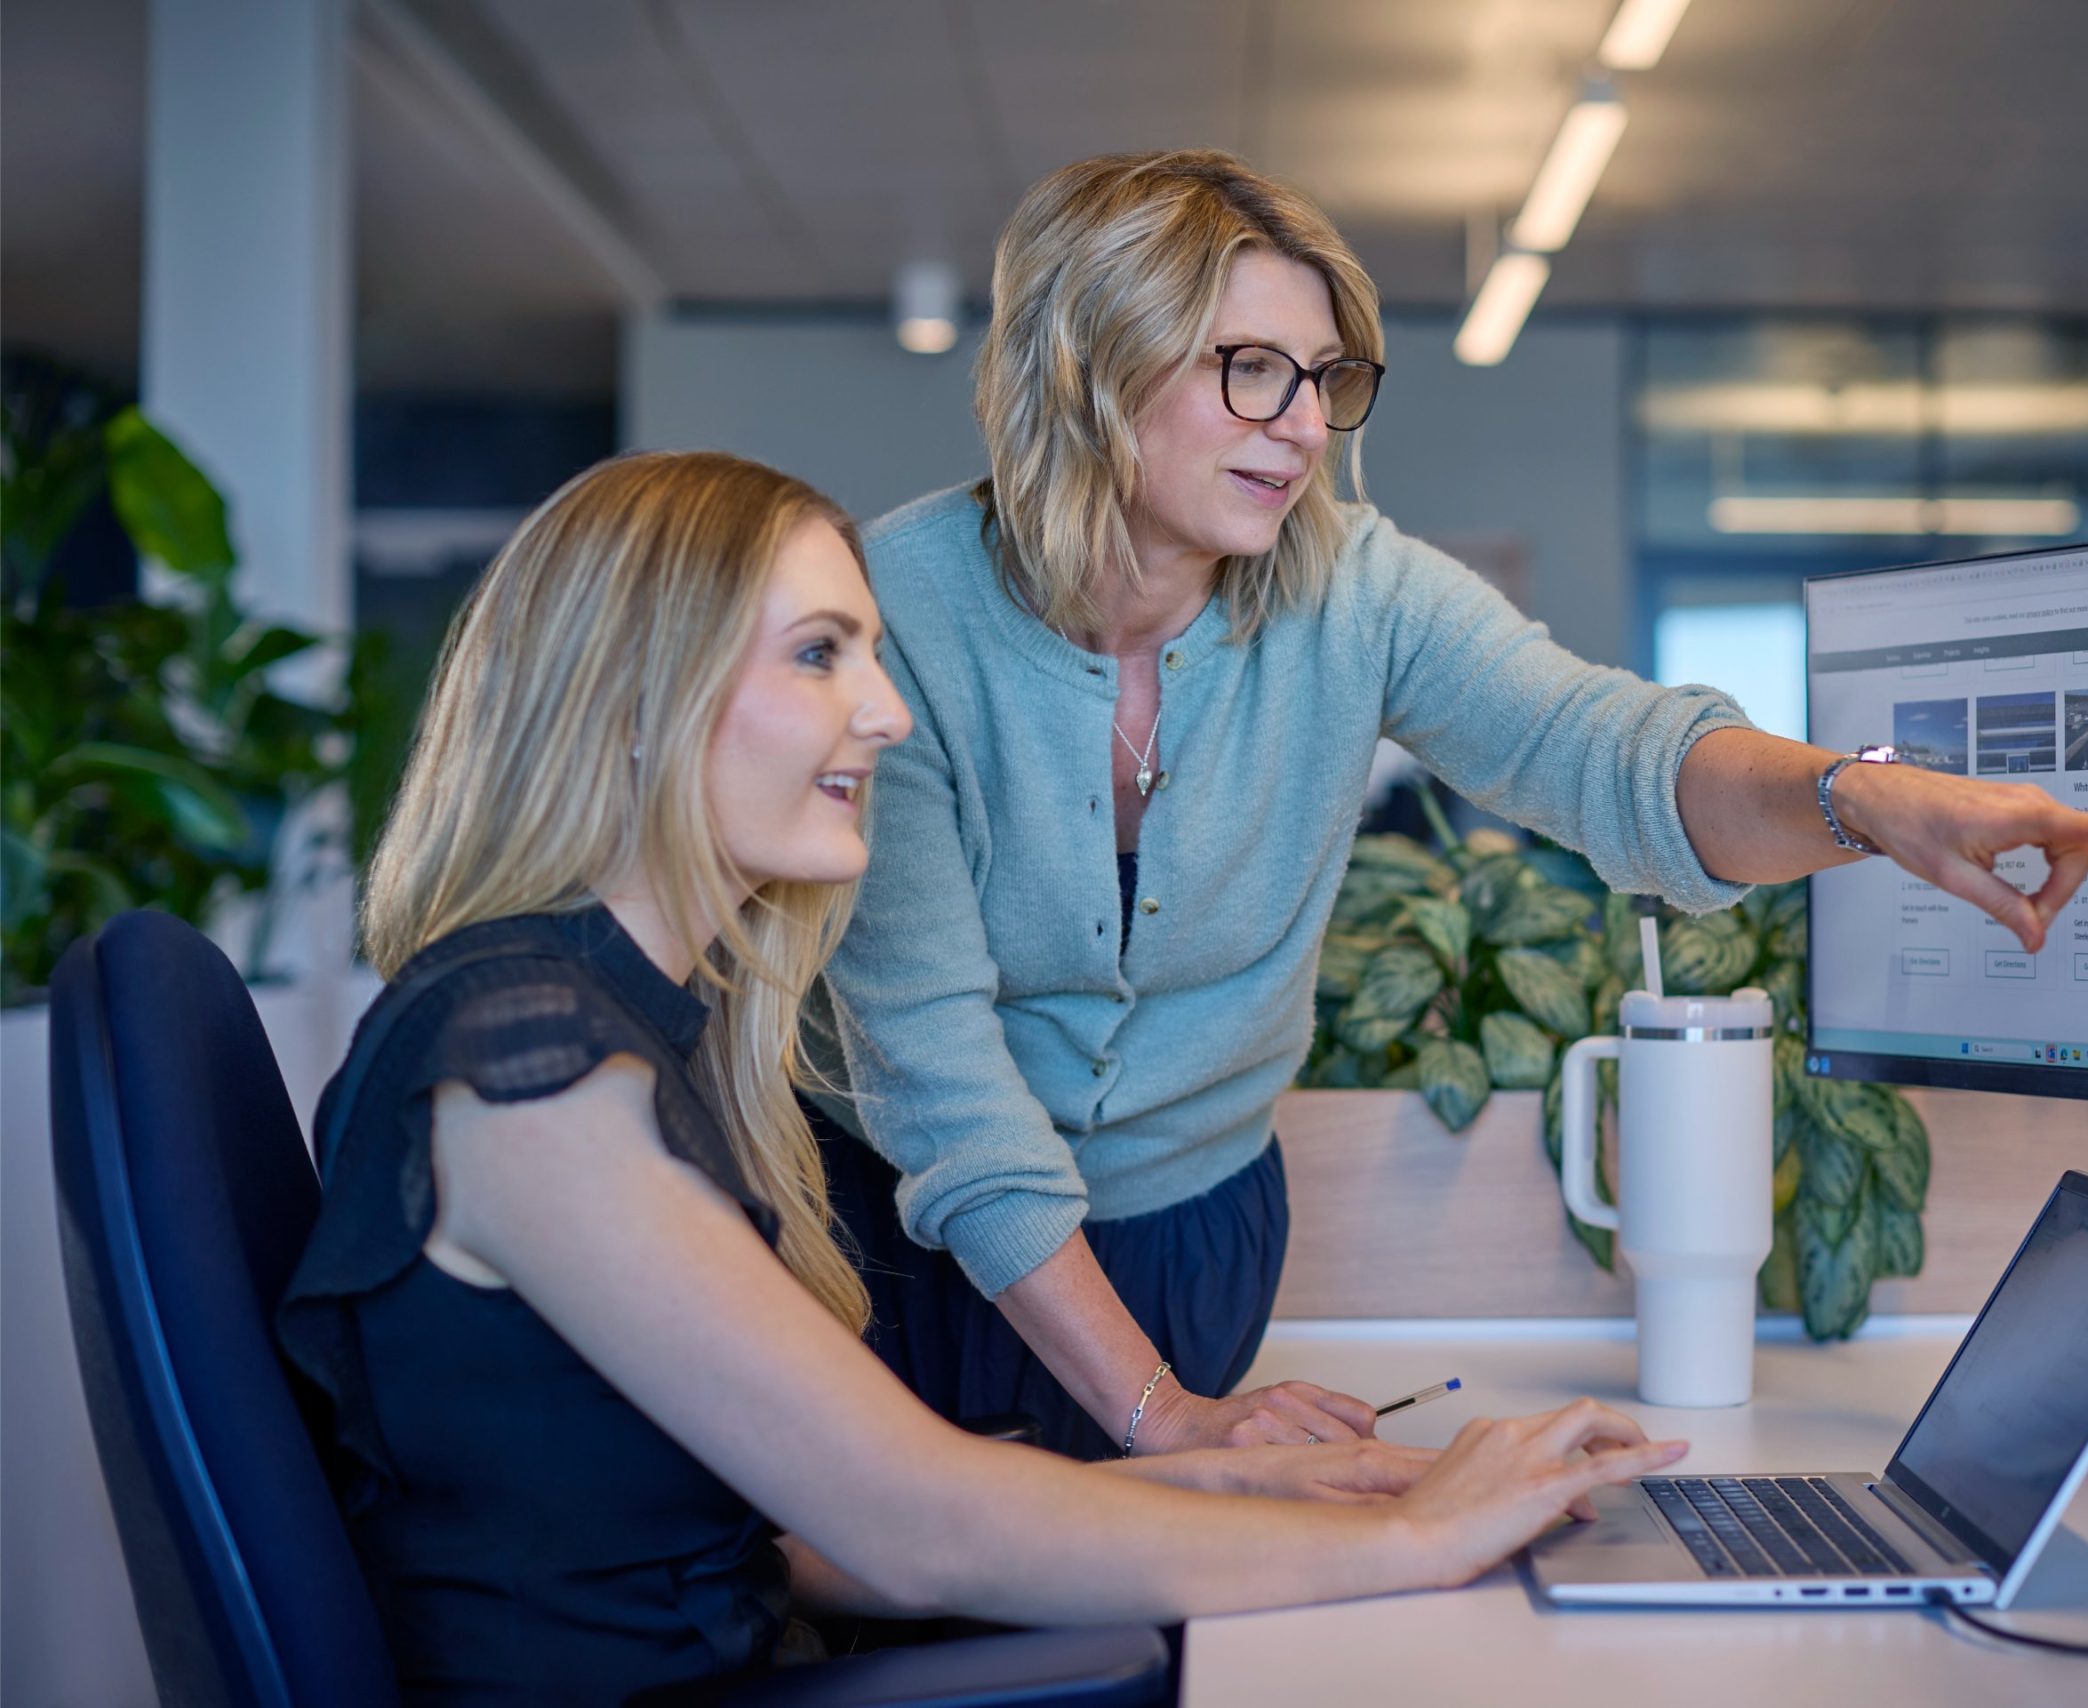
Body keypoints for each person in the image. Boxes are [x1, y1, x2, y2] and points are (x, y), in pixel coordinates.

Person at [277, 450, 1684, 1706]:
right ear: (635, 699)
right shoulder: (529, 1071)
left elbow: (799, 1545)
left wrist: (1239, 1477)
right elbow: (913, 1528)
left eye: (873, 652)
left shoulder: (639, 1031)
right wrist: (1417, 1539)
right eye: (822, 654)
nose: (888, 713)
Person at [813, 149, 2088, 1461]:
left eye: (1326, 379)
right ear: (1092, 371)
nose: (1303, 422)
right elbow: (937, 1074)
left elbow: (1604, 748)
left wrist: (1866, 800)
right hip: (911, 1249)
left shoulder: (1355, 591)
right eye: (1250, 367)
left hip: (1189, 1244)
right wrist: (1159, 1413)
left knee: (1179, 1650)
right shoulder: (900, 613)